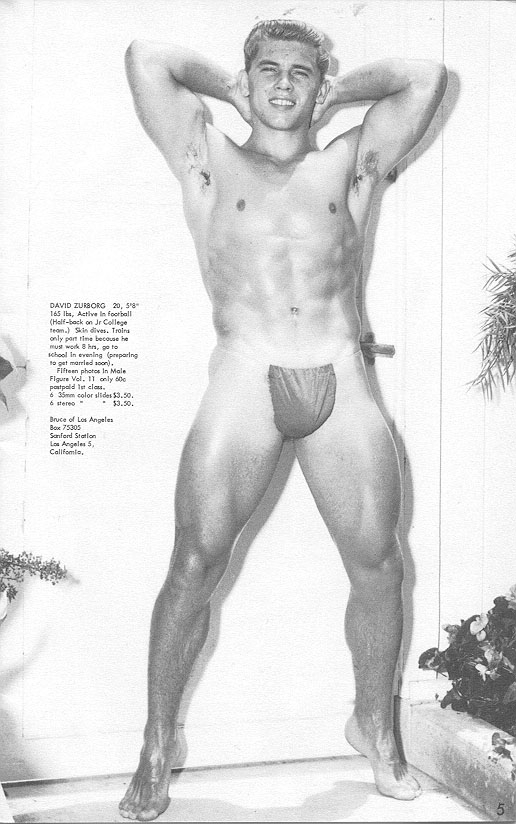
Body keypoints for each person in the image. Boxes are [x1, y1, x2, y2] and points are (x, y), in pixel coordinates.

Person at [120, 19, 447, 821]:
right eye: (268, 69)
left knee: (380, 564)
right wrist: (223, 86)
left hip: (339, 370)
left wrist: (342, 93)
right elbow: (147, 59)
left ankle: (375, 727)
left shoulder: (350, 161)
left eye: (301, 73)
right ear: (248, 76)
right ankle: (157, 744)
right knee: (194, 561)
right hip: (246, 369)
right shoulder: (207, 156)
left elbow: (423, 76)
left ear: (317, 83)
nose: (283, 85)